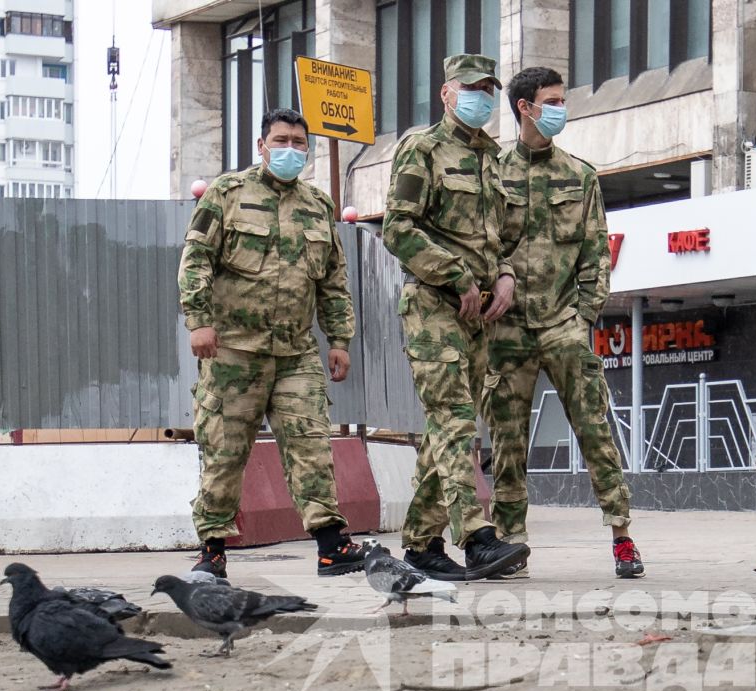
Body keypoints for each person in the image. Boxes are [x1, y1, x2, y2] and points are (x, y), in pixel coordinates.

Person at [178, 107, 366, 579]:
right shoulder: (227, 193)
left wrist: (339, 338)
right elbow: (196, 257)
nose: (289, 150)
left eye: (298, 143)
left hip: (296, 352)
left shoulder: (319, 206)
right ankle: (212, 549)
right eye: (280, 141)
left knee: (311, 447)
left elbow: (333, 281)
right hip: (233, 352)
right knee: (225, 452)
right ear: (261, 146)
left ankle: (330, 546)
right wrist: (199, 321)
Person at [484, 65, 642, 580]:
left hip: (563, 324)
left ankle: (622, 535)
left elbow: (597, 253)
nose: (560, 109)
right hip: (505, 329)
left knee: (594, 429)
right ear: (524, 107)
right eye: (551, 101)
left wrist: (584, 316)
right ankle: (511, 543)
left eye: (562, 100)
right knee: (507, 441)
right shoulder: (492, 172)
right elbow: (481, 246)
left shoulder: (581, 176)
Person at [382, 53, 531, 582]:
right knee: (454, 421)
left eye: (489, 89)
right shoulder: (421, 150)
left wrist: (506, 276)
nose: (481, 98)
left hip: (478, 317)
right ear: (447, 93)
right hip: (433, 307)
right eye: (471, 88)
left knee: (448, 428)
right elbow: (397, 228)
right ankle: (476, 538)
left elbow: (502, 241)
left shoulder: (493, 160)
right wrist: (456, 275)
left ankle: (422, 546)